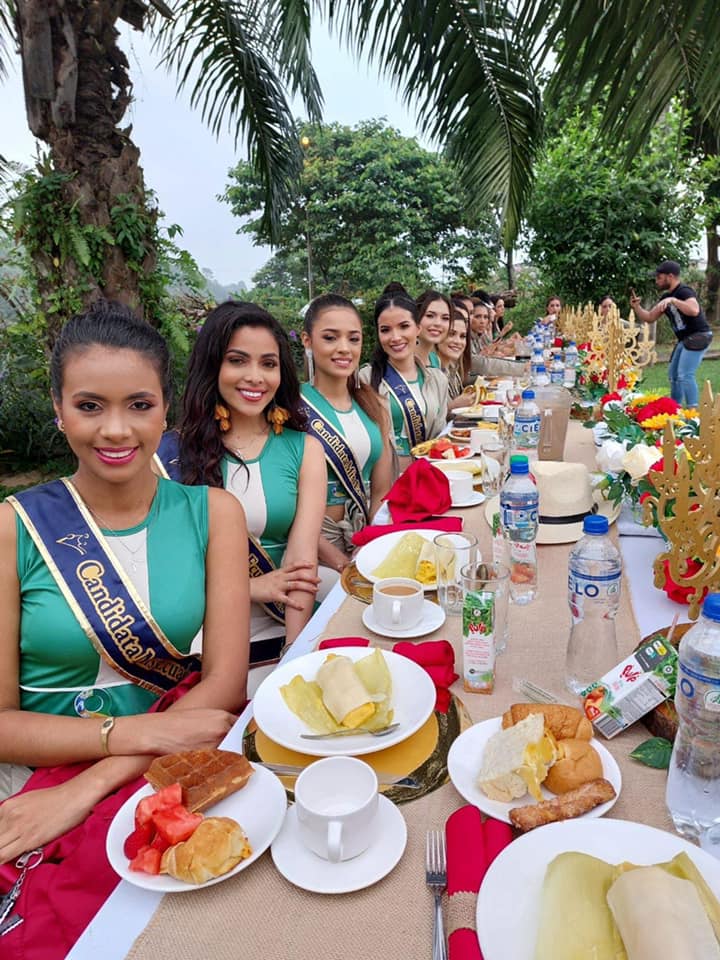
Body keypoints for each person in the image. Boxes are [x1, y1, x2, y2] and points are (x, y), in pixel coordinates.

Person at [0, 301, 248, 859]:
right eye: (90, 406)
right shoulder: (14, 528)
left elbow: (224, 686)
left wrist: (87, 786)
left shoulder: (214, 513)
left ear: (166, 412)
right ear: (60, 411)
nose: (116, 429)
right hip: (33, 784)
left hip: (159, 768)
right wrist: (133, 735)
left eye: (139, 405)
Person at [175, 301, 326, 667]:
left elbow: (301, 559)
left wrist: (293, 651)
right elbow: (168, 573)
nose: (256, 377)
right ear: (212, 366)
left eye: (268, 364)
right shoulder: (172, 455)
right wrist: (251, 587)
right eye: (238, 360)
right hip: (201, 628)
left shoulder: (304, 449)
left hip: (289, 616)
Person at [300, 294, 394, 573]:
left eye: (353, 339)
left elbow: (380, 491)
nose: (344, 348)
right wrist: (341, 562)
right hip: (313, 548)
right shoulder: (292, 407)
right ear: (307, 340)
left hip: (364, 538)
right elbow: (287, 505)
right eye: (330, 338)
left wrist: (371, 542)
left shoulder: (374, 405)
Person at [360, 292, 448, 466]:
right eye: (385, 330)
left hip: (427, 479)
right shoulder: (365, 379)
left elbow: (440, 437)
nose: (395, 337)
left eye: (404, 326)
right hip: (387, 485)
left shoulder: (437, 380)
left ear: (417, 329)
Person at [630, 260, 712, 406]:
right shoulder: (665, 298)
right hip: (685, 339)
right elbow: (649, 317)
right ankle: (674, 409)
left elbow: (694, 310)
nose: (656, 281)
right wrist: (637, 307)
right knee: (673, 375)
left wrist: (674, 300)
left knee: (685, 375)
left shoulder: (684, 291)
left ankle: (693, 416)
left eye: (659, 277)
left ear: (670, 276)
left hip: (699, 335)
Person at [437, 309, 472, 407]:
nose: (458, 341)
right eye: (451, 334)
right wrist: (452, 407)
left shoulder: (453, 370)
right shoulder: (431, 372)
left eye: (462, 336)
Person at [415, 290, 452, 369]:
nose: (438, 323)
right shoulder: (404, 360)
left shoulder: (435, 360)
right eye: (430, 316)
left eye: (445, 318)